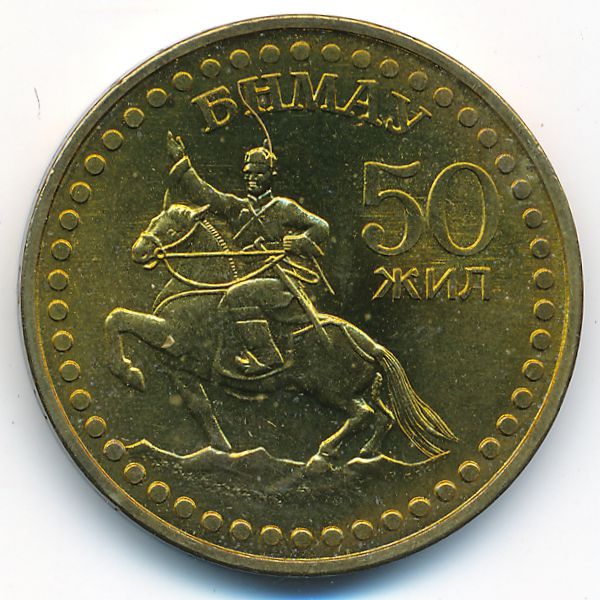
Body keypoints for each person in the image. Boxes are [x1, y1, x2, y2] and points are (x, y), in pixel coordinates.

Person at [166, 132, 331, 376]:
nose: (252, 178)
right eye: (248, 173)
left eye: (259, 173)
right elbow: (206, 194)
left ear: (271, 175)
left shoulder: (283, 207)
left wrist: (297, 242)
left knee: (237, 295)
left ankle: (267, 356)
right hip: (246, 275)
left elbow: (321, 227)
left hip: (279, 280)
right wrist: (182, 162)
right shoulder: (237, 207)